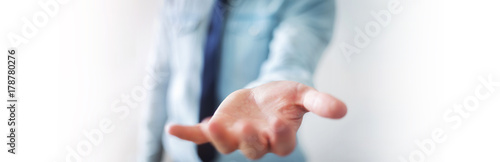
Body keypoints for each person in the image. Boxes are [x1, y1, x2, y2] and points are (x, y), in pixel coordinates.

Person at [138, 0, 347, 161]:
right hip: (182, 155)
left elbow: (291, 60)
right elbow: (159, 78)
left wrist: (273, 93)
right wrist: (148, 156)